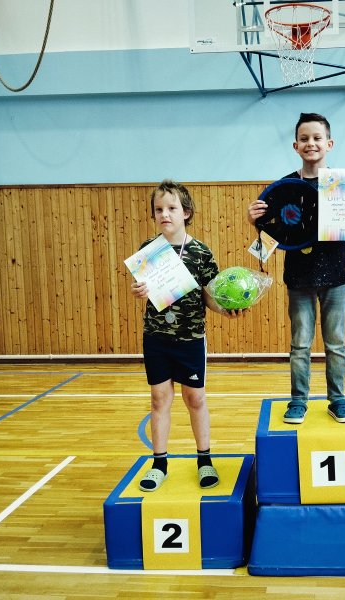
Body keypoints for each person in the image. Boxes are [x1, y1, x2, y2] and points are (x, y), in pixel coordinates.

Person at [247, 112, 345, 425]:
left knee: (336, 343)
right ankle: (298, 401)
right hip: (298, 276)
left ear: (329, 144)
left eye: (317, 138)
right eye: (304, 139)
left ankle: (338, 400)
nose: (311, 143)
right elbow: (273, 233)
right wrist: (255, 222)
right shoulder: (284, 187)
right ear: (295, 146)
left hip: (336, 273)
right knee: (300, 344)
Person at [130, 179, 243, 492]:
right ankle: (159, 464)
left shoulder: (201, 253)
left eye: (171, 208)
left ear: (186, 213)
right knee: (159, 398)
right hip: (156, 336)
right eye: (159, 209)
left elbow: (210, 296)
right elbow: (144, 289)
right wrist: (138, 290)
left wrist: (224, 310)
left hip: (191, 338)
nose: (164, 214)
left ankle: (204, 459)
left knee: (195, 398)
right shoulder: (148, 251)